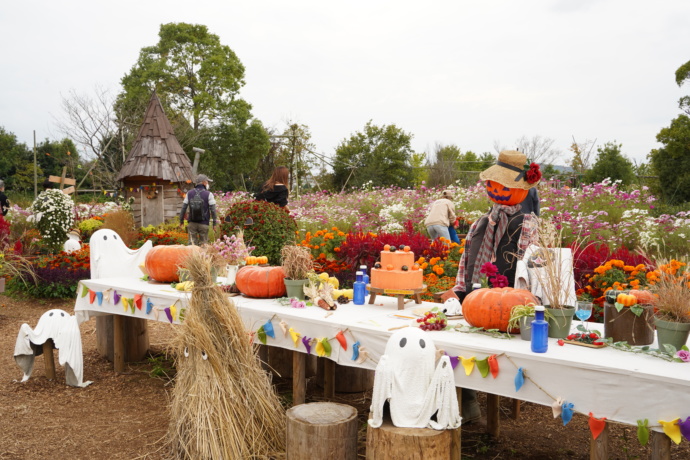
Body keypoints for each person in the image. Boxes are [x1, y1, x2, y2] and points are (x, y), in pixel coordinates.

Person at [179, 174, 218, 245]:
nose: (208, 183)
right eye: (207, 182)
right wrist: (214, 224)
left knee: (191, 245)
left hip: (192, 223)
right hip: (204, 223)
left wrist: (181, 221)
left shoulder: (189, 193)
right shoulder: (209, 194)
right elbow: (213, 210)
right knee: (204, 245)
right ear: (204, 182)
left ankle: (191, 256)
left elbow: (183, 208)